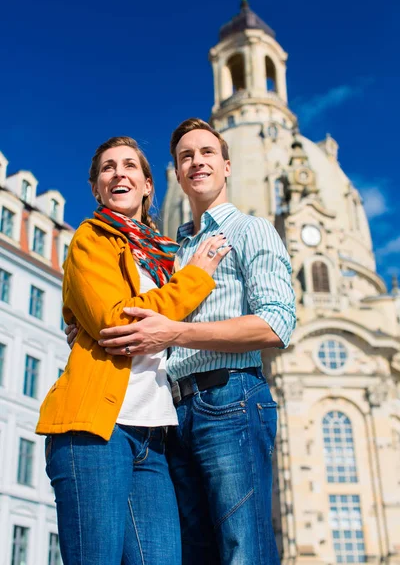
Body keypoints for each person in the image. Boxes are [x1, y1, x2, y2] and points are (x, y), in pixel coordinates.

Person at [93, 119, 297, 565]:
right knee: (193, 554)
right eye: (186, 157)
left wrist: (177, 332)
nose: (196, 162)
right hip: (171, 413)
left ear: (226, 166)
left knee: (244, 549)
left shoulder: (251, 229)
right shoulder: (169, 249)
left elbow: (277, 324)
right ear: (176, 175)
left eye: (206, 153)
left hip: (231, 398)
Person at [36, 135, 231, 565]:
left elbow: (173, 331)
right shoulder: (91, 238)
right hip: (94, 431)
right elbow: (118, 323)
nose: (118, 173)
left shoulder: (163, 257)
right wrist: (195, 278)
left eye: (129, 166)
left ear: (147, 185)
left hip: (153, 436)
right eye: (107, 168)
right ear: (96, 188)